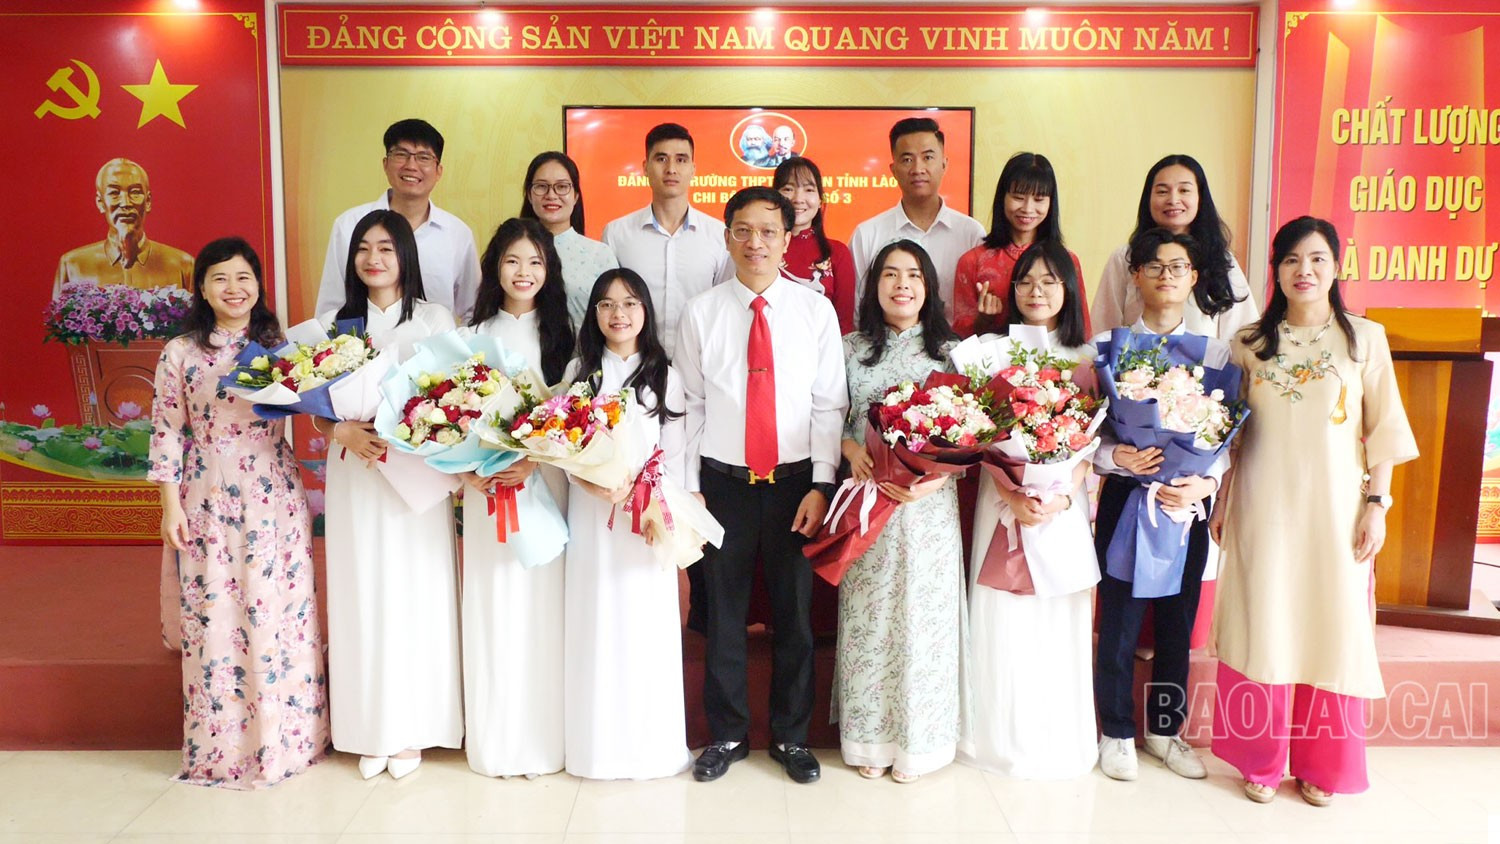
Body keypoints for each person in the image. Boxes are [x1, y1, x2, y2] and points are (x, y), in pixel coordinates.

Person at [1209, 216, 1417, 806]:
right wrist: (1223, 498)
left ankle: (1323, 764)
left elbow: (1384, 431)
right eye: (1291, 259)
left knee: (1331, 624)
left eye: (1317, 258)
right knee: (1264, 617)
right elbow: (1231, 435)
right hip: (1262, 505)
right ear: (1275, 270)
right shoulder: (1249, 343)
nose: (1305, 270)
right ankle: (1261, 760)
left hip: (1336, 510)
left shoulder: (1364, 339)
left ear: (1336, 267)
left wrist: (1377, 505)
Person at [677, 187, 847, 784]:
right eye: (743, 231)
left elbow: (829, 405)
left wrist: (822, 485)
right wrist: (691, 486)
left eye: (769, 231)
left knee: (794, 613)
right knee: (723, 612)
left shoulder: (814, 311)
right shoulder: (701, 313)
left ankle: (791, 736)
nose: (756, 243)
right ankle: (726, 734)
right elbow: (690, 406)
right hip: (721, 484)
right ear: (727, 237)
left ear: (788, 238)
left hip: (794, 485)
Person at [148, 237, 329, 788]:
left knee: (280, 612)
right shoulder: (180, 352)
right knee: (217, 615)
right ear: (202, 289)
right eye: (220, 278)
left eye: (244, 277)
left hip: (274, 491)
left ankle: (289, 742)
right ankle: (222, 749)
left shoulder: (280, 347)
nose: (234, 288)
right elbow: (166, 430)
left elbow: (315, 408)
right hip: (207, 494)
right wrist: (170, 506)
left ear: (258, 286)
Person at [313, 209, 461, 780]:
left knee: (417, 591)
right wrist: (340, 432)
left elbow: (456, 397)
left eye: (385, 248)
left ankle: (416, 725)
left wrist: (416, 430)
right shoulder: (333, 326)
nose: (373, 259)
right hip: (355, 469)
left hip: (415, 474)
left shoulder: (433, 318)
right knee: (362, 590)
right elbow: (311, 403)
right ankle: (369, 727)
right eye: (363, 249)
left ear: (405, 256)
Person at [961, 240, 1098, 779]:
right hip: (1001, 502)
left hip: (1063, 505)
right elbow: (977, 436)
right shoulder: (989, 354)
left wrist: (1061, 495)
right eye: (1026, 281)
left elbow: (1092, 444)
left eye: (1049, 281)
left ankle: (1056, 738)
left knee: (1056, 616)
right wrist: (1012, 493)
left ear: (1068, 290)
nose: (1036, 291)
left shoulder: (1086, 358)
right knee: (1004, 617)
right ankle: (998, 739)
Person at [1092, 228, 1225, 784]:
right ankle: (1117, 732)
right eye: (1154, 267)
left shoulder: (1216, 354)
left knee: (1176, 622)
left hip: (1184, 505)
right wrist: (1115, 455)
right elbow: (1083, 435)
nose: (1165, 276)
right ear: (1136, 276)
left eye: (1177, 267)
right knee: (1119, 620)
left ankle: (1167, 731)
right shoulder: (1108, 348)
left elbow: (1229, 437)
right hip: (1128, 497)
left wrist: (1205, 483)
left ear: (1193, 277)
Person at [834, 240, 964, 783]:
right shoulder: (849, 347)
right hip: (868, 500)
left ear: (928, 286)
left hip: (928, 509)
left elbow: (973, 436)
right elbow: (831, 416)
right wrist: (850, 449)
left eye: (913, 274)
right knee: (872, 618)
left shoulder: (952, 353)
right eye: (890, 274)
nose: (902, 284)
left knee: (922, 622)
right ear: (875, 286)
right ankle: (869, 739)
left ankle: (920, 743)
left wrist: (937, 477)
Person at [562, 268, 692, 780]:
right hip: (593, 516)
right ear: (594, 313)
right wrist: (590, 483)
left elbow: (676, 457)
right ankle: (598, 749)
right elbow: (560, 446)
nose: (619, 314)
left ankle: (649, 747)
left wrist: (653, 502)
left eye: (631, 303)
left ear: (646, 312)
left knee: (643, 625)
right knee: (596, 619)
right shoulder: (579, 372)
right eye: (608, 304)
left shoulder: (666, 376)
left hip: (647, 518)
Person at [458, 217, 575, 777]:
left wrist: (535, 458)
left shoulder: (565, 337)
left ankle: (543, 741)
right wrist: (468, 470)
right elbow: (451, 416)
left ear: (549, 270)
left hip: (545, 484)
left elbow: (577, 420)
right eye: (512, 261)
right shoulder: (471, 336)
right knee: (495, 601)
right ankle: (497, 740)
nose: (523, 272)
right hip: (488, 488)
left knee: (543, 606)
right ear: (494, 268)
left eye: (534, 262)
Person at [314, 118, 481, 322]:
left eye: (423, 157)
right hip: (365, 341)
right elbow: (330, 307)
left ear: (438, 171)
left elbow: (474, 312)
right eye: (401, 155)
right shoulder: (349, 225)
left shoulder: (457, 233)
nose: (411, 166)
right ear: (385, 164)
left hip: (436, 341)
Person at [1090, 154, 1258, 341]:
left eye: (1184, 190)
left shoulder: (1220, 260)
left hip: (1207, 360)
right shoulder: (1125, 257)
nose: (1173, 200)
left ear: (1200, 197)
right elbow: (1103, 328)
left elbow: (1243, 335)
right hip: (1133, 360)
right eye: (1162, 191)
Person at [603, 123, 732, 358]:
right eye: (661, 159)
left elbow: (723, 304)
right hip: (636, 362)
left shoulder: (719, 235)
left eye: (681, 160)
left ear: (693, 169)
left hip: (701, 360)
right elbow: (608, 305)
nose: (671, 169)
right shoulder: (617, 233)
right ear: (645, 167)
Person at [849, 117, 984, 319]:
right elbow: (857, 312)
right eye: (907, 160)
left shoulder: (971, 234)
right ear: (893, 170)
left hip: (955, 339)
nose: (918, 169)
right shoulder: (867, 235)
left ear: (944, 164)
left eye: (928, 157)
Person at [951, 152, 1088, 338]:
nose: (1027, 209)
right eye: (1018, 197)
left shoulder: (1067, 261)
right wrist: (984, 320)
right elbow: (960, 339)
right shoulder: (972, 262)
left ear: (1051, 203)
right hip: (992, 355)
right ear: (1003, 197)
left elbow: (1080, 327)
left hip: (1055, 355)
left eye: (1039, 200)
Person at [54, 157, 194, 296]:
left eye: (135, 192)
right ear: (100, 202)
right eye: (114, 193)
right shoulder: (72, 265)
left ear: (148, 201)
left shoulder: (182, 265)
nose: (125, 203)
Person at [517, 151, 618, 328]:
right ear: (529, 195)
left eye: (562, 186)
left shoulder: (599, 254)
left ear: (576, 196)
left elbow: (615, 315)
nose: (551, 195)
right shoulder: (512, 250)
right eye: (541, 186)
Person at [774, 157, 857, 333]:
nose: (798, 199)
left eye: (809, 189)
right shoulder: (761, 248)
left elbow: (844, 325)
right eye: (788, 189)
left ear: (820, 200)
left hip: (822, 348)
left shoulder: (837, 253)